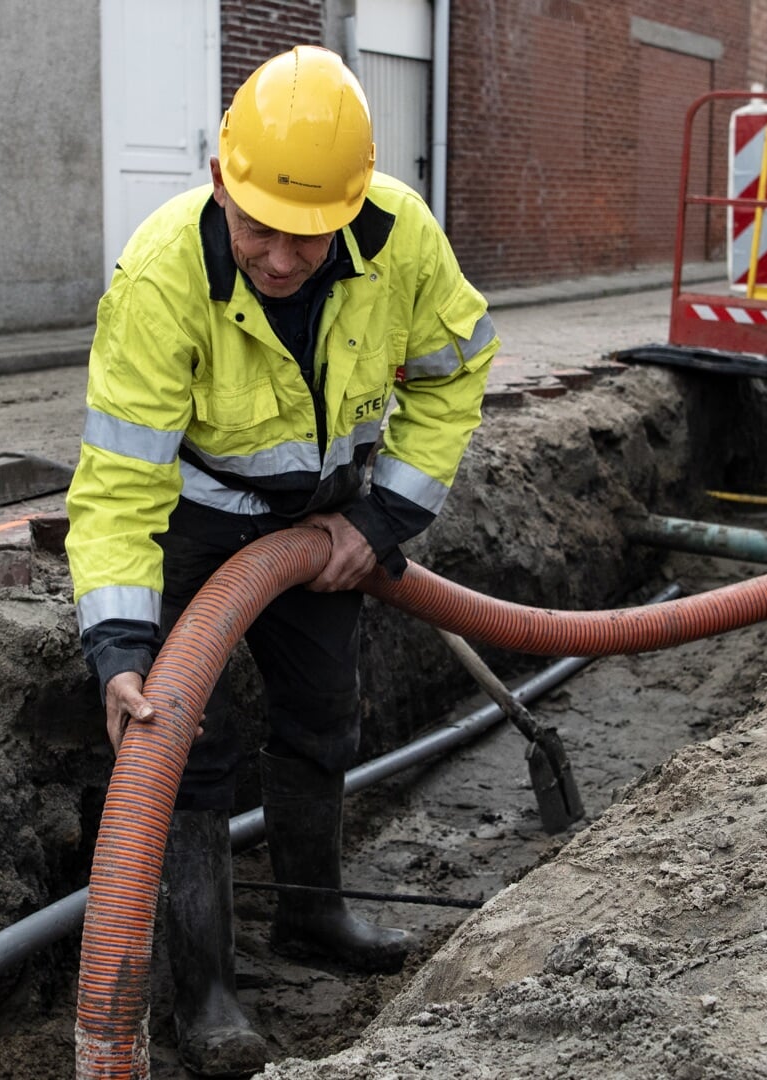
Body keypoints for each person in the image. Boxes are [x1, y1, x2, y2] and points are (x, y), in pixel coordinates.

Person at [64, 45, 497, 1077]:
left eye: (310, 236)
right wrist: (119, 647)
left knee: (322, 716)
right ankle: (205, 991)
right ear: (220, 181)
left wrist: (382, 519)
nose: (283, 258)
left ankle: (311, 915)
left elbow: (453, 371)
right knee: (183, 743)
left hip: (327, 526)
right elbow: (120, 483)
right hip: (196, 523)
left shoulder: (398, 237)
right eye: (261, 228)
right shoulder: (161, 275)